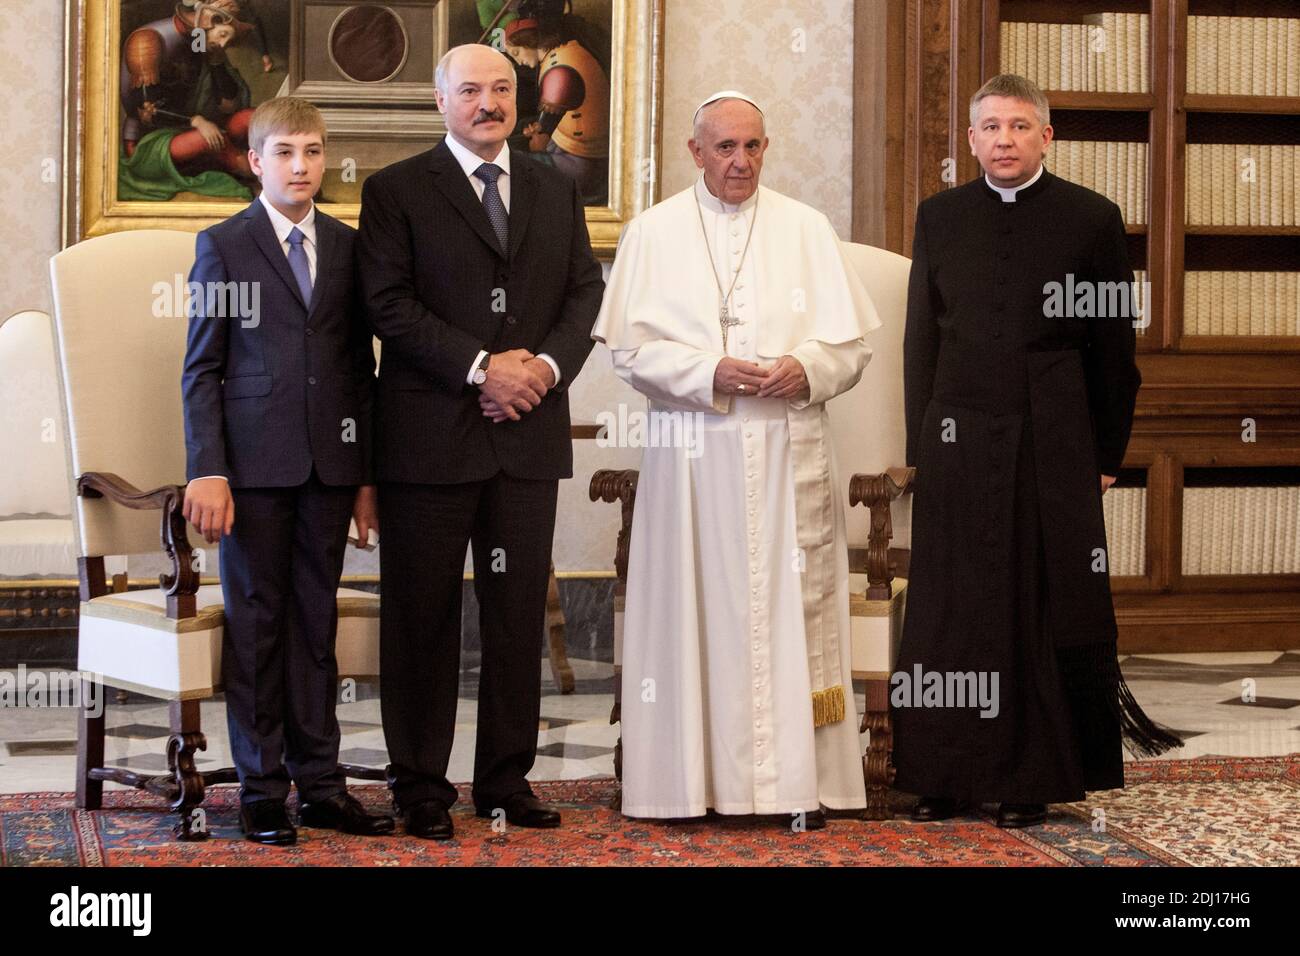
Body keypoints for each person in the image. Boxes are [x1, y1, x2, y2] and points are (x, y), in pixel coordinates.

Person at [895, 73, 1181, 830]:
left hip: (1052, 439)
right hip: (955, 436)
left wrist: (1107, 454)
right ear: (970, 140)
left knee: (1033, 604)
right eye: (989, 127)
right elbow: (921, 337)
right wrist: (919, 442)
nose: (1004, 141)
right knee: (948, 609)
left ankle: (1031, 778)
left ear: (1046, 136)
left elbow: (1115, 353)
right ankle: (940, 774)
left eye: (1020, 127)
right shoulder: (939, 217)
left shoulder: (1093, 218)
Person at [591, 91, 880, 826]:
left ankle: (796, 788)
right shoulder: (653, 233)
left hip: (789, 452)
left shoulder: (807, 229)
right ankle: (687, 786)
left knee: (787, 610)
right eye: (725, 148)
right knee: (695, 614)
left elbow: (851, 347)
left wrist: (807, 367)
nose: (741, 162)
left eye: (753, 147)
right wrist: (706, 373)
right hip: (691, 461)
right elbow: (629, 350)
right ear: (695, 152)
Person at [357, 44, 604, 840]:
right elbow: (387, 306)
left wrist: (541, 368)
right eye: (472, 90)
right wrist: (479, 369)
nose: (489, 102)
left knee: (515, 620)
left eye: (502, 88)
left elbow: (583, 297)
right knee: (421, 621)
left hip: (527, 437)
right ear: (442, 101)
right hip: (429, 443)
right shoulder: (395, 191)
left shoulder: (554, 187)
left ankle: (504, 782)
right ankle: (420, 787)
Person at [181, 96, 393, 845]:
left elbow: (360, 370)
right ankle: (262, 789)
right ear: (254, 162)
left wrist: (365, 476)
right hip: (252, 470)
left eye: (313, 152)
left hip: (330, 468)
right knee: (258, 625)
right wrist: (207, 469)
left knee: (314, 626)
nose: (301, 166)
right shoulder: (224, 246)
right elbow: (202, 369)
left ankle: (323, 785)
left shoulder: (346, 245)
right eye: (286, 153)